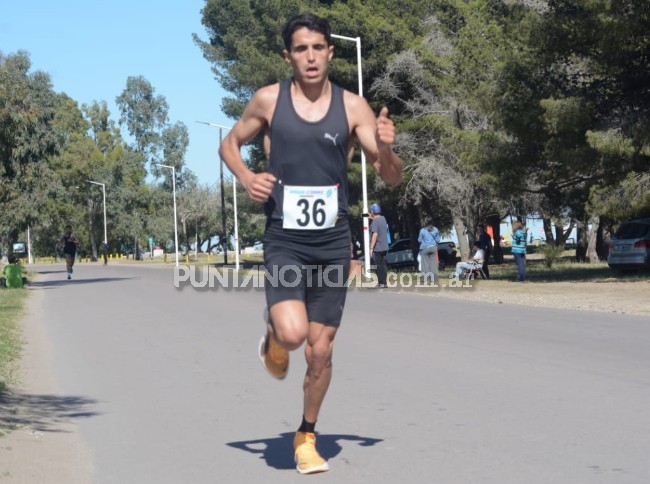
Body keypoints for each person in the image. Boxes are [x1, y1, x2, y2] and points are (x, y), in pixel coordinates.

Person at [219, 13, 402, 475]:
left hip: (333, 242)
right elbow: (229, 144)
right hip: (285, 239)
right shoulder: (268, 101)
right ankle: (276, 335)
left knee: (321, 351)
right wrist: (247, 178)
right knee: (296, 333)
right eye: (301, 49)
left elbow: (390, 176)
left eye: (318, 47)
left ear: (330, 51)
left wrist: (387, 147)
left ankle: (306, 434)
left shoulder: (354, 107)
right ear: (288, 56)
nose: (311, 56)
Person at [368, 203, 389, 288]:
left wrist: (371, 248)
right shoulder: (383, 218)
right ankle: (384, 282)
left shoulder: (375, 221)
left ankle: (381, 283)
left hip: (378, 247)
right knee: (383, 265)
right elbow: (377, 221)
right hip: (384, 246)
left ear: (372, 212)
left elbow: (375, 234)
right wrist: (372, 218)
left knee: (378, 266)